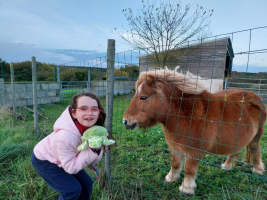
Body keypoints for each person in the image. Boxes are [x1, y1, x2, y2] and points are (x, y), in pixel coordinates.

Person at [31, 90, 111, 200]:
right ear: (74, 113)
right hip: (45, 159)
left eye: (94, 109)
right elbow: (70, 168)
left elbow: (92, 160)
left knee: (86, 184)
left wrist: (96, 149)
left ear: (98, 112)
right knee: (71, 190)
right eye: (83, 109)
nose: (89, 113)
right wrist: (92, 150)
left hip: (65, 157)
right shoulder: (66, 137)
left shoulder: (93, 131)